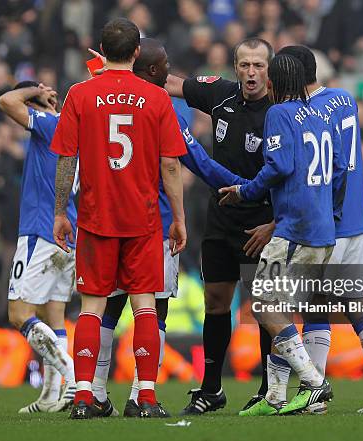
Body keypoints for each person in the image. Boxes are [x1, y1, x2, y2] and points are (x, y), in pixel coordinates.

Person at [89, 38, 247, 417]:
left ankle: (92, 392)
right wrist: (248, 188)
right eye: (166, 64)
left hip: (108, 220)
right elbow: (198, 163)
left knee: (109, 307)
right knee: (154, 310)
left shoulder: (96, 97)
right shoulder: (162, 107)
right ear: (157, 70)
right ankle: (140, 396)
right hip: (151, 224)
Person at [241, 45, 363, 415]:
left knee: (289, 305)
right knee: (349, 301)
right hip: (356, 220)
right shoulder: (344, 100)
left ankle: (308, 394)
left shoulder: (301, 113)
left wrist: (276, 220)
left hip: (322, 222)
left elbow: (303, 171)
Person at [51, 18, 187, 419]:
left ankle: (82, 396)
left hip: (95, 218)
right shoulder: (157, 98)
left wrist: (61, 211)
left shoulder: (79, 95)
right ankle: (145, 396)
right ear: (136, 53)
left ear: (102, 49)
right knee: (145, 306)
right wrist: (178, 218)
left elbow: (66, 159)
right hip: (143, 220)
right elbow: (171, 166)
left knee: (92, 308)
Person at [218, 53, 346, 415]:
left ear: (273, 83)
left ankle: (314, 382)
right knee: (283, 310)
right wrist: (329, 213)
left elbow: (279, 166)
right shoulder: (322, 115)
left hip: (296, 230)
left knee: (264, 305)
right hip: (321, 228)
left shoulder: (278, 113)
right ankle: (275, 396)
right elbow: (339, 169)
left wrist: (244, 191)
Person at [164, 37, 276, 414]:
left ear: (269, 70)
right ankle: (212, 389)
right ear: (235, 66)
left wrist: (276, 223)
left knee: (265, 308)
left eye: (258, 65)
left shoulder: (282, 112)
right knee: (217, 302)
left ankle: (269, 389)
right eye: (244, 64)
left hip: (263, 222)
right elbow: (173, 83)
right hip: (221, 219)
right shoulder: (222, 95)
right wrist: (124, 67)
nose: (251, 72)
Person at [0, 80, 78, 413]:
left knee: (19, 313)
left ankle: (73, 379)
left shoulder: (51, 125)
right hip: (70, 236)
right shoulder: (78, 133)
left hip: (41, 232)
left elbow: (6, 101)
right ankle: (49, 396)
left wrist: (34, 93)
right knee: (53, 315)